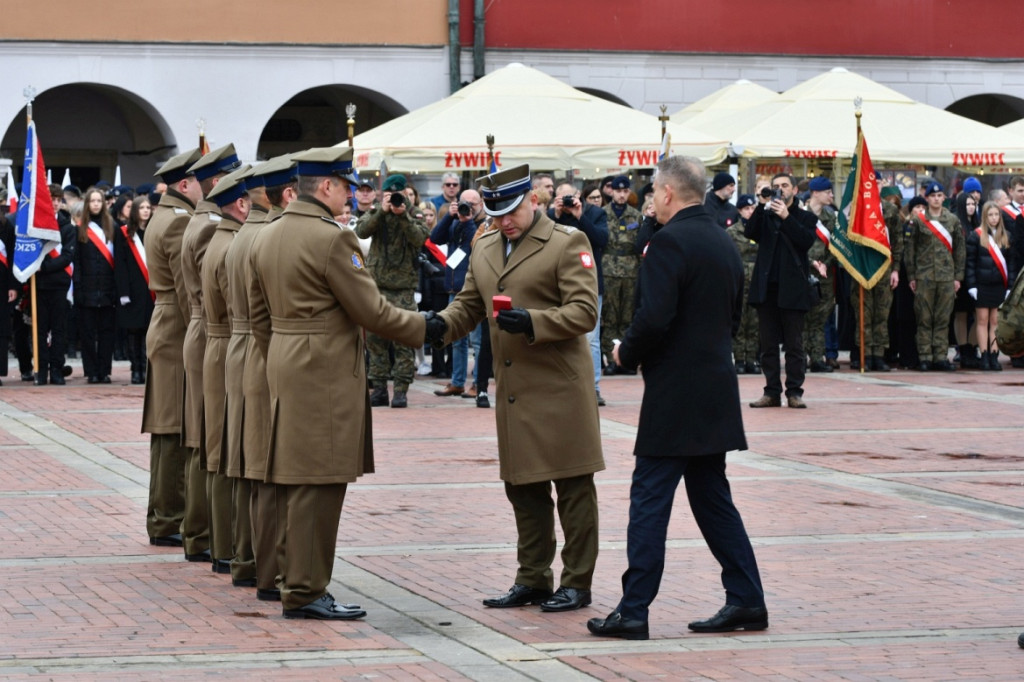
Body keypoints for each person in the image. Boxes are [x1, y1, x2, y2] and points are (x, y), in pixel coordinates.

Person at [587, 155, 765, 641]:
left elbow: (655, 316)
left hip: (675, 392)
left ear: (666, 193)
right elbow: (732, 318)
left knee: (649, 498)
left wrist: (626, 351)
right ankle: (747, 597)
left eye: (653, 194)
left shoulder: (669, 243)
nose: (651, 202)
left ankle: (634, 609)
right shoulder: (723, 241)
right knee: (712, 498)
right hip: (714, 384)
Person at [248, 146, 426, 620]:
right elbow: (372, 311)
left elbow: (258, 316)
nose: (351, 195)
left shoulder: (268, 233)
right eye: (346, 186)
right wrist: (428, 327)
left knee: (291, 482)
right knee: (318, 485)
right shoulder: (333, 239)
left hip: (287, 363)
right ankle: (305, 589)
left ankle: (295, 580)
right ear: (325, 186)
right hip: (323, 371)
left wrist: (282, 357)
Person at [425, 164, 604, 614]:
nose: (504, 221)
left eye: (512, 212)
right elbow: (469, 304)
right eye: (496, 212)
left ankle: (577, 582)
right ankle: (533, 578)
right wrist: (435, 327)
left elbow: (585, 312)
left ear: (533, 202)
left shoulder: (567, 242)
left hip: (559, 386)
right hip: (515, 388)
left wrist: (534, 321)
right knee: (523, 488)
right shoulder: (485, 244)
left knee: (572, 488)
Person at [226, 154, 298, 602]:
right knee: (269, 474)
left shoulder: (244, 236)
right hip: (264, 355)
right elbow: (263, 316)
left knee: (253, 470)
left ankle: (251, 561)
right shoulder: (268, 237)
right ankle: (269, 569)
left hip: (243, 350)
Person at [181, 143, 242, 572]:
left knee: (208, 442)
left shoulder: (204, 221)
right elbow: (213, 294)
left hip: (207, 333)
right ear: (220, 182)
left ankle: (207, 537)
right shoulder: (209, 227)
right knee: (215, 445)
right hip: (213, 334)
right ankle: (215, 541)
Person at [142, 147, 203, 553]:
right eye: (200, 180)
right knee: (174, 429)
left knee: (168, 427)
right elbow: (187, 290)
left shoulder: (164, 215)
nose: (206, 187)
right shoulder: (179, 222)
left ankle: (164, 517)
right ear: (185, 184)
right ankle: (168, 518)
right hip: (177, 327)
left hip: (164, 324)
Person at [200, 166, 253, 587]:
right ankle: (226, 547)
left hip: (218, 343)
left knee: (220, 448)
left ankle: (223, 547)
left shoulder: (219, 240)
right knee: (224, 452)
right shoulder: (229, 244)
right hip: (227, 343)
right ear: (240, 204)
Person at [356, 173, 430, 408]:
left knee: (404, 340)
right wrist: (382, 211)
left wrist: (403, 216)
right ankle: (378, 389)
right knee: (376, 341)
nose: (395, 199)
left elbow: (419, 238)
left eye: (398, 194)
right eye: (390, 195)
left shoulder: (414, 213)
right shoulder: (377, 211)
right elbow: (362, 231)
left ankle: (400, 390)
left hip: (403, 288)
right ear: (383, 195)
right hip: (376, 287)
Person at [745, 173, 817, 408]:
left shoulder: (805, 217)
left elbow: (805, 241)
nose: (779, 190)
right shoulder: (765, 214)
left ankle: (794, 392)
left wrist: (786, 217)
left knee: (794, 345)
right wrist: (761, 205)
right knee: (767, 345)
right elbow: (750, 232)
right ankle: (771, 392)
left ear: (795, 190)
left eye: (784, 186)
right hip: (767, 288)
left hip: (793, 288)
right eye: (775, 187)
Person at [549, 181, 609, 405]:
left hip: (590, 281)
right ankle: (564, 384)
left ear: (578, 196)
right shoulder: (550, 216)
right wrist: (554, 215)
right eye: (560, 198)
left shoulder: (595, 213)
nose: (566, 202)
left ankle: (592, 387)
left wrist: (579, 216)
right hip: (556, 283)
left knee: (591, 338)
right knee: (559, 333)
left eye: (569, 197)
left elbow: (601, 241)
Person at [430, 188, 486, 397]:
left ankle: (478, 384)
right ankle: (457, 382)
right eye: (464, 203)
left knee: (478, 341)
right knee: (456, 338)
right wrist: (450, 217)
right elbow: (435, 238)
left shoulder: (485, 224)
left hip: (476, 290)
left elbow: (475, 245)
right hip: (455, 286)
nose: (468, 208)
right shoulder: (455, 220)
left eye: (473, 204)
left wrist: (468, 220)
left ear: (480, 204)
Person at [904, 181, 965, 371]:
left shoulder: (952, 220)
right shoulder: (919, 221)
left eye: (939, 196)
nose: (936, 199)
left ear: (944, 198)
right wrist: (912, 276)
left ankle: (940, 356)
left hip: (946, 277)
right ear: (927, 198)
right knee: (924, 318)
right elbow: (910, 250)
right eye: (932, 196)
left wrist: (958, 277)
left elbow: (960, 251)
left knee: (942, 318)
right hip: (924, 277)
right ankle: (925, 356)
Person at [32, 185, 76, 386]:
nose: (56, 203)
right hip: (40, 286)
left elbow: (67, 256)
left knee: (59, 329)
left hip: (59, 284)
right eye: (52, 199)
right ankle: (41, 370)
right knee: (40, 329)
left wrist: (45, 267)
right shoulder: (37, 227)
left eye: (59, 199)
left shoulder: (67, 227)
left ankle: (57, 369)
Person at [75, 187, 117, 384]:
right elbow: (77, 263)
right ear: (87, 204)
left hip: (108, 289)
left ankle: (104, 371)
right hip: (88, 289)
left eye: (98, 201)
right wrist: (78, 289)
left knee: (107, 333)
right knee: (88, 334)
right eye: (92, 201)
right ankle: (91, 371)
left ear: (103, 204)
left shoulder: (112, 227)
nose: (95, 204)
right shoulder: (81, 228)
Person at [601, 175, 642, 375]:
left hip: (631, 271)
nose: (622, 195)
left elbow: (641, 244)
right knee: (609, 318)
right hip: (609, 269)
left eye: (625, 191)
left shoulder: (636, 216)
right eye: (618, 191)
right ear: (612, 192)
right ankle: (610, 359)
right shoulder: (603, 214)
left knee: (627, 318)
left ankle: (625, 360)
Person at [966, 202, 1014, 370]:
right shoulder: (976, 236)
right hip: (982, 284)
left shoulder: (1006, 236)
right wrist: (972, 285)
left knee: (995, 322)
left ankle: (994, 355)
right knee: (982, 320)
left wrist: (1010, 287)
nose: (994, 218)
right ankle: (984, 355)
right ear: (985, 217)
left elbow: (1011, 265)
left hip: (999, 285)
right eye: (990, 215)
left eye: (996, 215)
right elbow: (970, 263)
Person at [113, 194, 154, 384]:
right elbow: (120, 265)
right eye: (142, 207)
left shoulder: (154, 231)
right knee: (134, 332)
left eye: (148, 207)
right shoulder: (123, 233)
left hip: (151, 290)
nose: (146, 210)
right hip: (132, 290)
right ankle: (135, 369)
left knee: (149, 332)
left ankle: (146, 369)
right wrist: (123, 292)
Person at [802, 176, 837, 373]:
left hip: (824, 275)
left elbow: (837, 246)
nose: (831, 195)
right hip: (802, 272)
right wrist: (811, 263)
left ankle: (817, 358)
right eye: (827, 192)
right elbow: (793, 244)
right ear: (815, 192)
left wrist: (826, 264)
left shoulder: (831, 218)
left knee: (819, 318)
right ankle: (800, 357)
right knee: (802, 319)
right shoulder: (799, 214)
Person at [726, 194, 759, 373]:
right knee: (739, 321)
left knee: (754, 323)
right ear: (739, 211)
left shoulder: (760, 230)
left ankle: (752, 360)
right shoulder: (732, 232)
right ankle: (739, 359)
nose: (750, 211)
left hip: (756, 281)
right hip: (739, 281)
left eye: (753, 208)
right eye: (746, 209)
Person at [953, 188, 981, 368]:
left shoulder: (978, 225)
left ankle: (972, 346)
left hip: (977, 277)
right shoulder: (957, 225)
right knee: (961, 314)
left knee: (979, 315)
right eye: (967, 204)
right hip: (961, 277)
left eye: (973, 204)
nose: (971, 207)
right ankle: (963, 349)